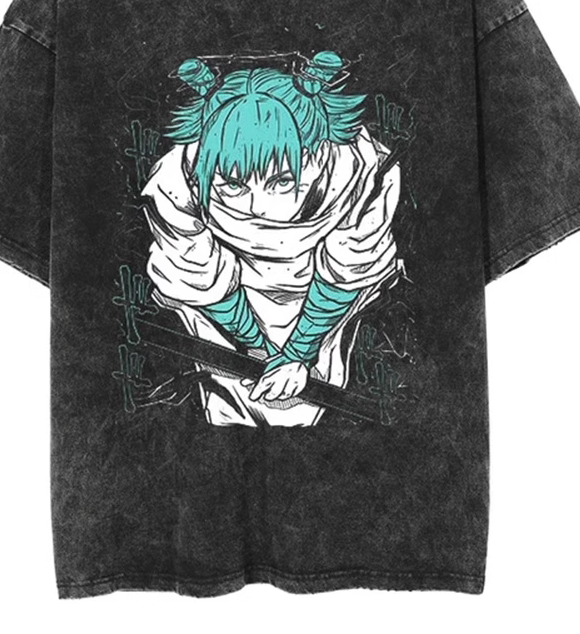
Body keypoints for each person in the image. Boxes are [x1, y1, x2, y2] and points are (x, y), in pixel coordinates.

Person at [140, 50, 406, 427]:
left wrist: (299, 353)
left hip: (326, 293)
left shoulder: (362, 172)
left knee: (309, 402)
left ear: (316, 154)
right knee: (234, 404)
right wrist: (259, 351)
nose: (257, 206)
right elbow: (196, 272)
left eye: (281, 181)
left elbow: (349, 267)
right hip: (223, 298)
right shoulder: (177, 181)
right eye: (233, 185)